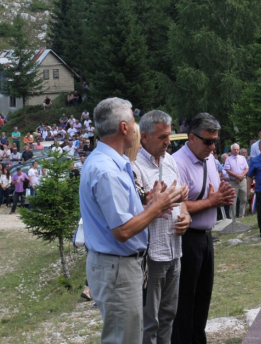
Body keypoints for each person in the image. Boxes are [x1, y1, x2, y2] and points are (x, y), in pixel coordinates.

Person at [79, 97, 184, 344]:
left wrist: (147, 204)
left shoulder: (110, 162)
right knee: (124, 339)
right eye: (133, 121)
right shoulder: (107, 169)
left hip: (119, 266)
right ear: (124, 127)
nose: (136, 127)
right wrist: (158, 206)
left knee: (129, 335)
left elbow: (121, 215)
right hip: (117, 268)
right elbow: (122, 231)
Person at [171, 113, 236, 344]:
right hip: (187, 239)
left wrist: (222, 196)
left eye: (215, 141)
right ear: (192, 137)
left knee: (202, 300)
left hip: (206, 238)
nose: (212, 146)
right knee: (185, 303)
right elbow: (175, 206)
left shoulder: (208, 158)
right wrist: (212, 201)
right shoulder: (178, 163)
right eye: (208, 141)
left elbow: (212, 193)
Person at [133, 110, 191, 344]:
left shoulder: (170, 161)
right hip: (151, 255)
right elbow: (132, 212)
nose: (168, 142)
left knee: (168, 314)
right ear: (144, 137)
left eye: (169, 135)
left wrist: (186, 217)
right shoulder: (134, 165)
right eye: (162, 137)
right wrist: (151, 202)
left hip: (174, 250)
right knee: (150, 320)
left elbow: (182, 202)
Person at [224, 143, 249, 219]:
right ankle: (232, 216)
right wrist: (237, 176)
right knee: (233, 200)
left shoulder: (242, 158)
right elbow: (228, 170)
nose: (236, 151)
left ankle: (242, 215)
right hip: (233, 182)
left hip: (243, 181)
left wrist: (241, 176)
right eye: (234, 149)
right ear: (231, 150)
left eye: (237, 149)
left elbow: (247, 168)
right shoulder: (228, 159)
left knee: (243, 198)